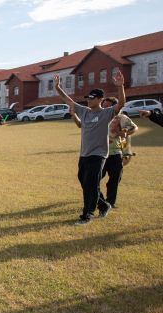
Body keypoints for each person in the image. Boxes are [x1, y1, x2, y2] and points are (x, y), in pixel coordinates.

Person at [54, 71, 125, 225]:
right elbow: (68, 100)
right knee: (84, 181)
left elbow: (121, 104)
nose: (88, 101)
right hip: (84, 154)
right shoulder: (84, 112)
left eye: (92, 98)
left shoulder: (106, 113)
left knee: (91, 184)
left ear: (100, 99)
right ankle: (104, 204)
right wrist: (57, 87)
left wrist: (120, 87)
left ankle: (87, 215)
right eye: (87, 98)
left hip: (98, 155)